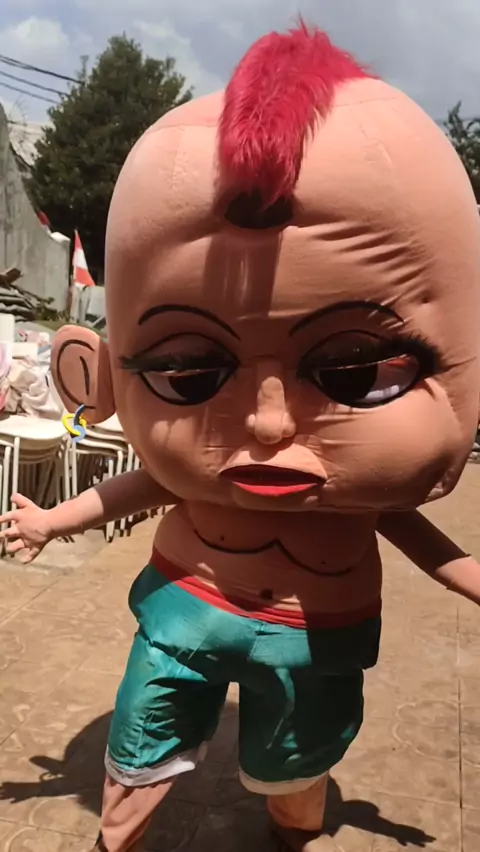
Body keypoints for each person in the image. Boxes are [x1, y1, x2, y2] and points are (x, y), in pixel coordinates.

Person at [2, 22, 480, 852]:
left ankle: (290, 828)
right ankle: (118, 837)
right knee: (141, 742)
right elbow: (134, 486)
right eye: (189, 371)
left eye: (356, 372)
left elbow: (428, 544)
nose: (266, 425)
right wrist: (50, 521)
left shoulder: (356, 497)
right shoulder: (189, 468)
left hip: (316, 637)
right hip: (184, 615)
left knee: (298, 764)